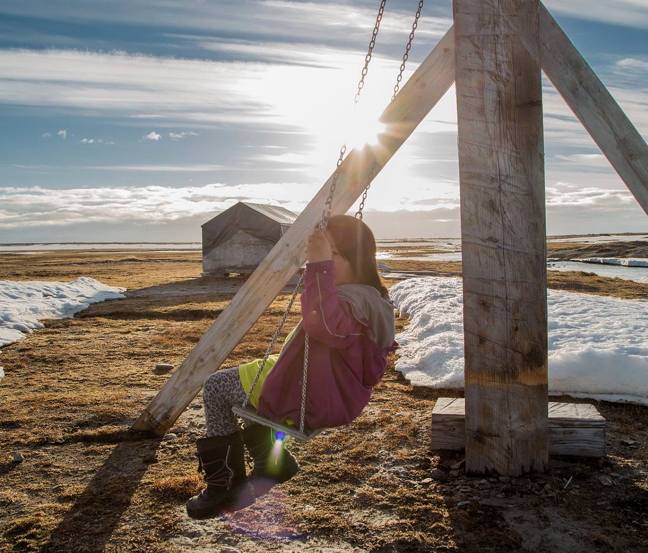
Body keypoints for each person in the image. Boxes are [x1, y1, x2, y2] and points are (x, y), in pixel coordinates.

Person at [186, 214, 397, 519]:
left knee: (216, 388)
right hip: (327, 384)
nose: (321, 259)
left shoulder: (354, 300)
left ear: (356, 258)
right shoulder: (371, 295)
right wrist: (324, 258)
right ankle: (272, 463)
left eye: (332, 254)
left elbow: (323, 322)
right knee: (252, 378)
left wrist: (319, 265)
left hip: (315, 395)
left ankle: (224, 485)